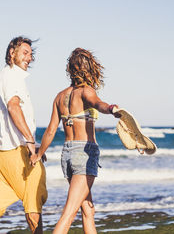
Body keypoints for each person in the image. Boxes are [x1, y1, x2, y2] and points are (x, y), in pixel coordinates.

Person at [30, 48, 120, 234]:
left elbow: (51, 130)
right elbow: (98, 104)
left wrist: (39, 154)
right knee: (69, 214)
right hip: (84, 154)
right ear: (89, 69)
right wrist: (111, 108)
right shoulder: (87, 91)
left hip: (68, 155)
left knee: (88, 209)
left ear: (70, 69)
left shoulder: (60, 96)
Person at [0, 36, 47, 234]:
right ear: (12, 53)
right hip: (15, 150)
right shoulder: (11, 77)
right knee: (33, 198)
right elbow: (13, 107)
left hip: (0, 149)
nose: (29, 58)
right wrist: (30, 141)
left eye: (31, 54)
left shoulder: (1, 78)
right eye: (25, 53)